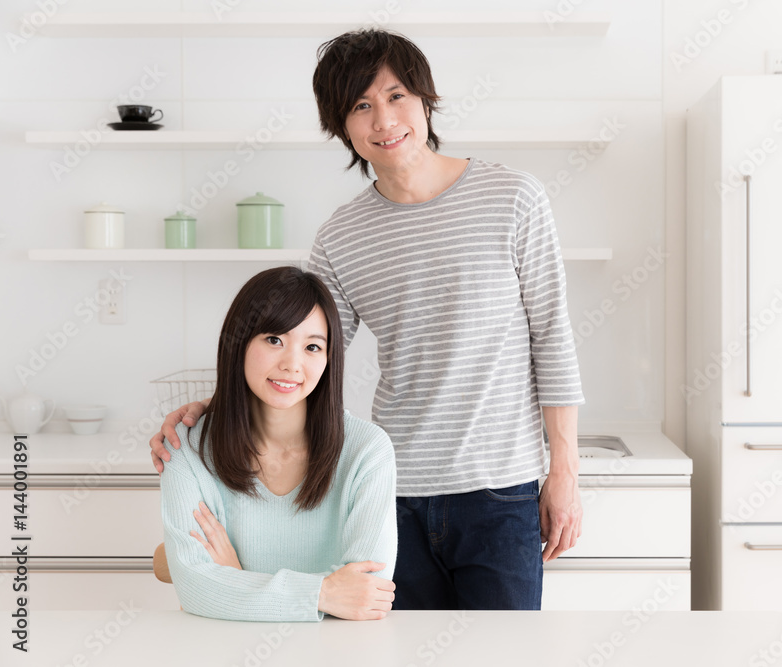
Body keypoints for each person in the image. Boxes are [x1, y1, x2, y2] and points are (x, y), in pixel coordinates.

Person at [151, 28, 584, 611]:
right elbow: (301, 355)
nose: (384, 119)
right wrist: (215, 403)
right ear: (342, 127)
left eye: (397, 95)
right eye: (361, 105)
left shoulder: (514, 198)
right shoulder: (342, 236)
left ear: (425, 100)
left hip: (500, 492)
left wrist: (565, 472)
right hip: (389, 493)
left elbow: (553, 338)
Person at [159, 266, 397, 622]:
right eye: (274, 340)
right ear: (239, 342)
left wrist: (237, 582)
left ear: (329, 359)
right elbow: (194, 586)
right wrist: (324, 592)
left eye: (313, 346)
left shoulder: (367, 450)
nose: (292, 364)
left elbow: (366, 590)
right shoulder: (188, 448)